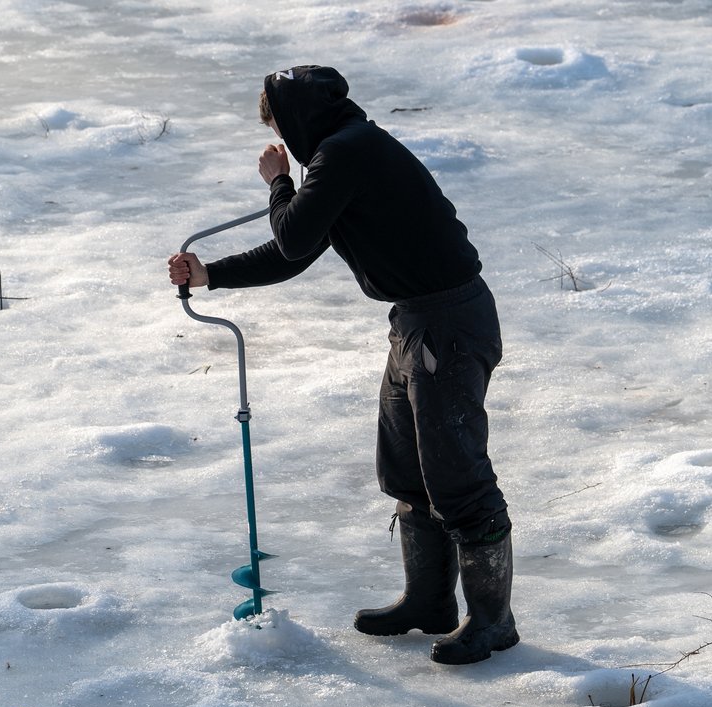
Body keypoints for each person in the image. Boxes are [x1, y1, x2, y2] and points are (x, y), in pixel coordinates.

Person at [167, 65, 517, 665]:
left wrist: (278, 183)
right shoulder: (347, 156)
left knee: (457, 478)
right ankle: (430, 603)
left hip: (449, 325)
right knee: (406, 470)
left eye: (277, 122)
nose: (281, 138)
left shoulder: (346, 153)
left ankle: (494, 623)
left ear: (297, 117)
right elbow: (292, 251)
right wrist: (212, 275)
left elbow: (294, 232)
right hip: (414, 321)